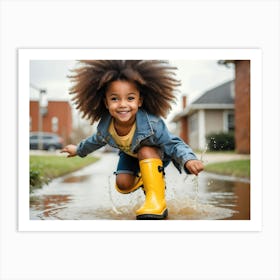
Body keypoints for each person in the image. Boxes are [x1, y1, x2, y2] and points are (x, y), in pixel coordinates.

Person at [61, 60, 204, 220]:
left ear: (139, 101)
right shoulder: (106, 128)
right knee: (122, 185)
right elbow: (94, 141)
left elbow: (173, 143)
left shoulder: (153, 125)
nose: (123, 105)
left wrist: (188, 159)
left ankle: (156, 201)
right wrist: (78, 150)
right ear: (106, 102)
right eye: (115, 99)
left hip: (153, 156)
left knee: (145, 149)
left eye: (130, 98)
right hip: (130, 156)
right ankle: (148, 180)